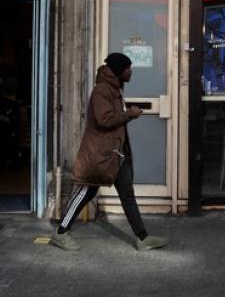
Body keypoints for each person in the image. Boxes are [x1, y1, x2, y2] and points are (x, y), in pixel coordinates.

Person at [51, 53, 168, 251]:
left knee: (127, 196)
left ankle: (142, 238)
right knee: (85, 192)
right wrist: (129, 115)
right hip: (101, 155)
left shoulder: (115, 89)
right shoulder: (101, 91)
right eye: (128, 68)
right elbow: (104, 120)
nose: (131, 71)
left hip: (116, 154)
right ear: (119, 71)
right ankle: (60, 233)